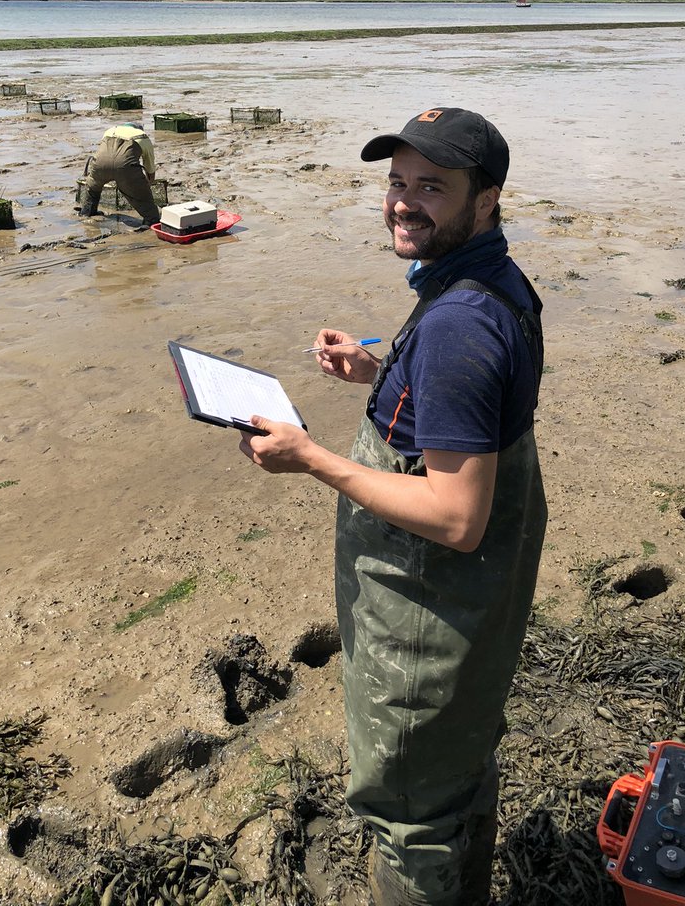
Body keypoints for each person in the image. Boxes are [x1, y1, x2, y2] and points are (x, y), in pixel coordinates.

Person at [237, 107, 546, 906]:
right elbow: (466, 413)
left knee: (411, 813)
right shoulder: (493, 283)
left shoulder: (457, 327)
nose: (404, 202)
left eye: (432, 187)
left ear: (487, 199)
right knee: (458, 768)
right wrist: (381, 376)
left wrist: (310, 458)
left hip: (428, 614)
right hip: (479, 602)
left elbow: (456, 518)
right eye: (398, 181)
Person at [79, 121, 161, 225]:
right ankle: (151, 221)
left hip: (99, 164)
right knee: (144, 199)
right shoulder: (143, 137)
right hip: (125, 167)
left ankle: (87, 212)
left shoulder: (110, 131)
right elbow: (149, 168)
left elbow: (105, 152)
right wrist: (146, 186)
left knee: (93, 187)